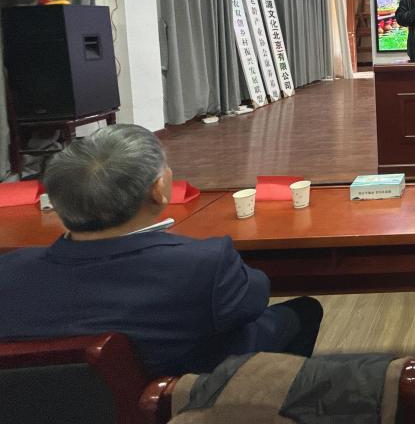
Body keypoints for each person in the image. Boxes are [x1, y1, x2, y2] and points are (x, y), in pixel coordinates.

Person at [0, 125, 323, 376]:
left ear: (56, 202)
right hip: (180, 396)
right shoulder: (203, 263)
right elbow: (253, 300)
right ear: (158, 190)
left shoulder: (9, 271)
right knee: (302, 312)